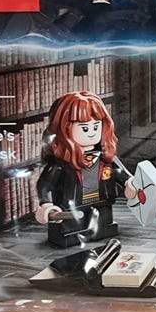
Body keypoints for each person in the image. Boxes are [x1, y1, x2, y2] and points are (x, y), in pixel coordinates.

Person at [35, 91, 136, 247]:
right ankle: (71, 233)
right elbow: (44, 185)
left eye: (96, 126)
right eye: (84, 128)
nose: (92, 133)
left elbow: (120, 173)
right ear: (65, 129)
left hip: (101, 200)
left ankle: (102, 228)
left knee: (103, 224)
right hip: (72, 205)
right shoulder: (61, 163)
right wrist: (46, 204)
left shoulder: (105, 157)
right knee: (71, 228)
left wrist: (129, 183)